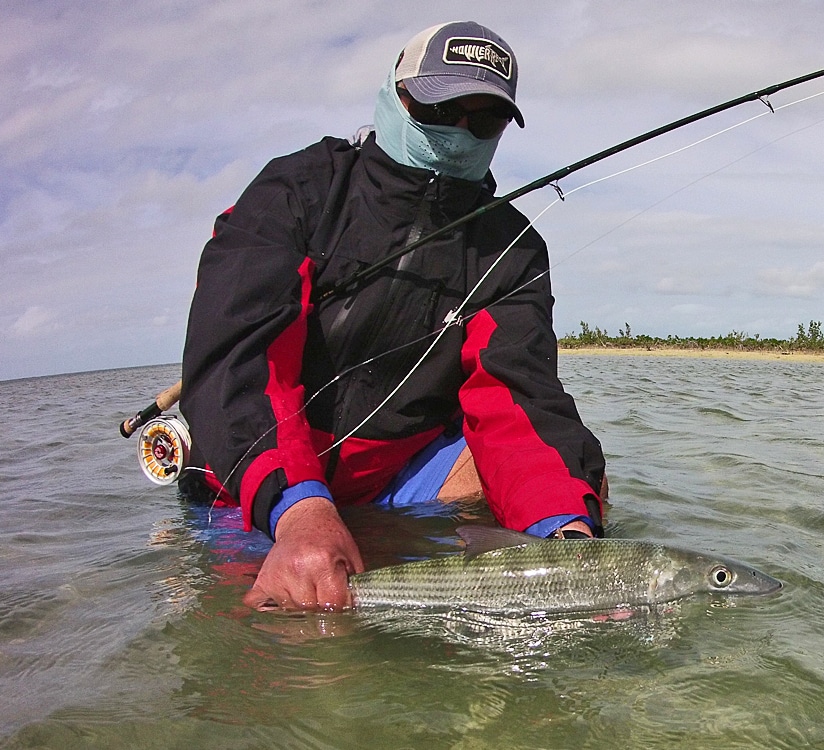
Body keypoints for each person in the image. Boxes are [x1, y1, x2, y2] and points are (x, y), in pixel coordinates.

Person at [180, 21, 608, 612]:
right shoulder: (295, 191)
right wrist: (301, 509)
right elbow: (240, 361)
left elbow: (518, 398)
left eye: (483, 119)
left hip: (396, 477)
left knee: (576, 495)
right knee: (289, 651)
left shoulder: (512, 247)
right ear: (396, 92)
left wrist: (568, 541)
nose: (460, 130)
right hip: (259, 474)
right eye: (441, 106)